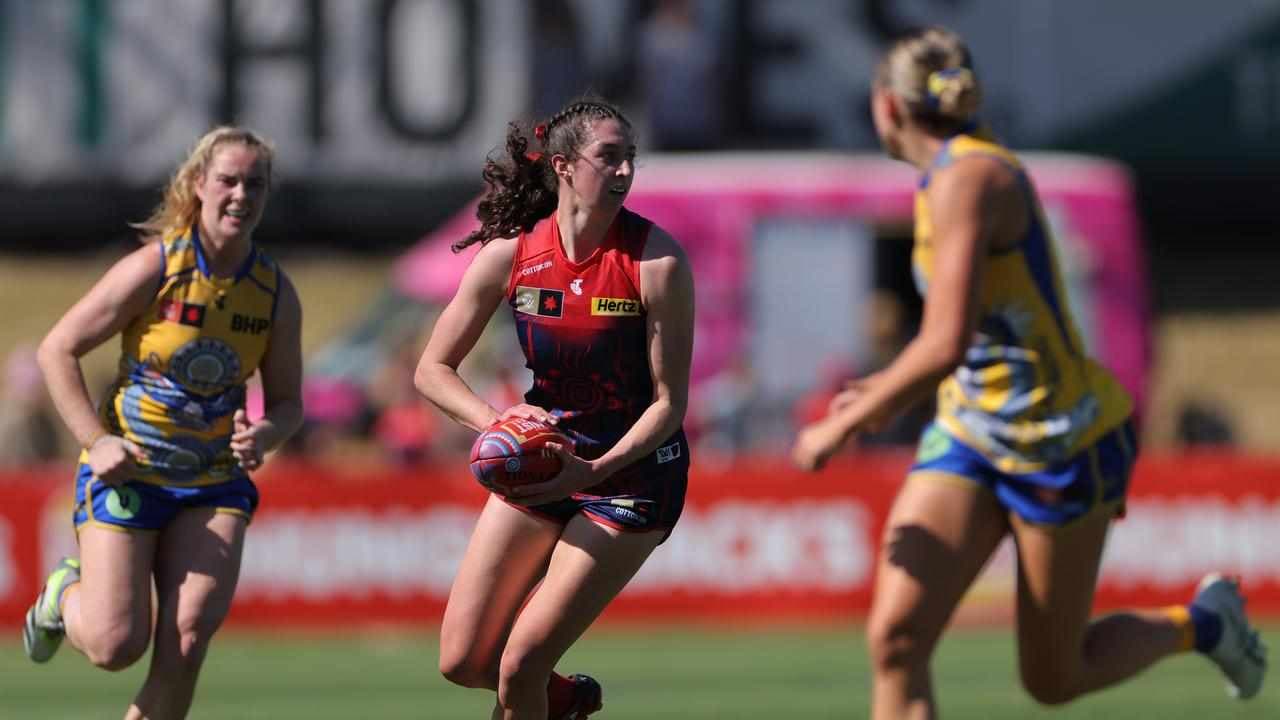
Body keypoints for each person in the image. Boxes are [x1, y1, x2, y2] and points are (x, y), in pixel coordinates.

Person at [791, 27, 1266, 717]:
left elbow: (946, 340)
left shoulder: (971, 177)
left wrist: (849, 420)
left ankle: (1206, 624)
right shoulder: (941, 179)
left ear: (886, 108)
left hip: (1061, 441)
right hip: (970, 430)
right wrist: (888, 388)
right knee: (895, 640)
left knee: (1053, 678)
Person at [415, 97, 694, 720]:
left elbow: (670, 405)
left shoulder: (657, 262)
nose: (623, 172)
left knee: (521, 664)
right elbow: (431, 369)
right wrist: (500, 423)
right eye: (609, 157)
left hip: (632, 474)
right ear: (565, 166)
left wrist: (592, 473)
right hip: (546, 462)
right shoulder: (511, 255)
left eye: (630, 159)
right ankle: (563, 704)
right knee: (463, 661)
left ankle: (542, 692)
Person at [23, 126, 303, 719]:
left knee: (187, 637)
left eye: (255, 184)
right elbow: (58, 349)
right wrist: (95, 442)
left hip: (214, 482)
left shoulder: (274, 292)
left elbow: (288, 403)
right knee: (114, 644)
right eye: (228, 180)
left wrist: (268, 434)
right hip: (130, 473)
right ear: (199, 184)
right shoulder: (158, 267)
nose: (240, 195)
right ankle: (59, 598)